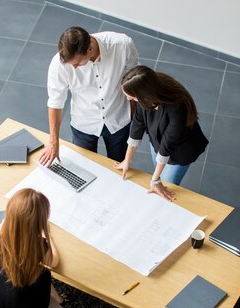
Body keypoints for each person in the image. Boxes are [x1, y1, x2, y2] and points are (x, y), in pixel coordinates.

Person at [39, 26, 139, 166]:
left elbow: (133, 80)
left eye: (77, 63)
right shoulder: (59, 64)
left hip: (119, 119)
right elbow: (56, 102)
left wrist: (133, 115)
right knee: (85, 166)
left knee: (119, 166)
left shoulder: (122, 45)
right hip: (83, 122)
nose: (74, 68)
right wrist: (53, 142)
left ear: (89, 49)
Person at [115, 65, 208, 201]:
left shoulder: (177, 108)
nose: (129, 100)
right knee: (159, 174)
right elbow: (137, 125)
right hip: (159, 142)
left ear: (144, 94)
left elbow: (167, 146)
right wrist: (126, 160)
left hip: (179, 151)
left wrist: (155, 181)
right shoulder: (145, 95)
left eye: (132, 97)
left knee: (167, 183)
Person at [0, 188, 63, 308]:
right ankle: (58, 299)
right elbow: (54, 261)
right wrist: (46, 235)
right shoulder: (37, 247)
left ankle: (58, 298)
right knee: (43, 272)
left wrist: (6, 226)